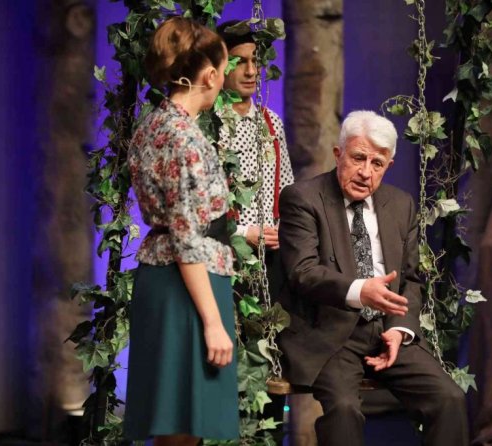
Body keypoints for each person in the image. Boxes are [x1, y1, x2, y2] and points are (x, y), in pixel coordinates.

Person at [277, 110, 469, 446]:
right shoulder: (303, 198)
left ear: (388, 166)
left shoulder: (401, 204)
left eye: (377, 163)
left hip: (387, 331)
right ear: (338, 154)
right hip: (331, 334)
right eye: (358, 158)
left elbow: (410, 279)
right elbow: (301, 272)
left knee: (449, 399)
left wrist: (400, 329)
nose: (366, 172)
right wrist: (359, 291)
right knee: (344, 410)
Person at [124, 17, 238, 445]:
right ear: (209, 75)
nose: (223, 78)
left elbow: (180, 218)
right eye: (223, 69)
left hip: (168, 280)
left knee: (177, 426)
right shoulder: (184, 139)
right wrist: (213, 322)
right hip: (187, 286)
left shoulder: (152, 124)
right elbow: (186, 238)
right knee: (184, 428)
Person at [215, 20, 295, 444]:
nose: (250, 71)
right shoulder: (212, 122)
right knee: (228, 365)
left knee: (268, 363)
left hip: (269, 262)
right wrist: (243, 231)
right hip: (227, 259)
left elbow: (286, 190)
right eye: (239, 62)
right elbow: (204, 205)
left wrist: (281, 229)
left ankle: (268, 437)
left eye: (255, 61)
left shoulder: (270, 122)